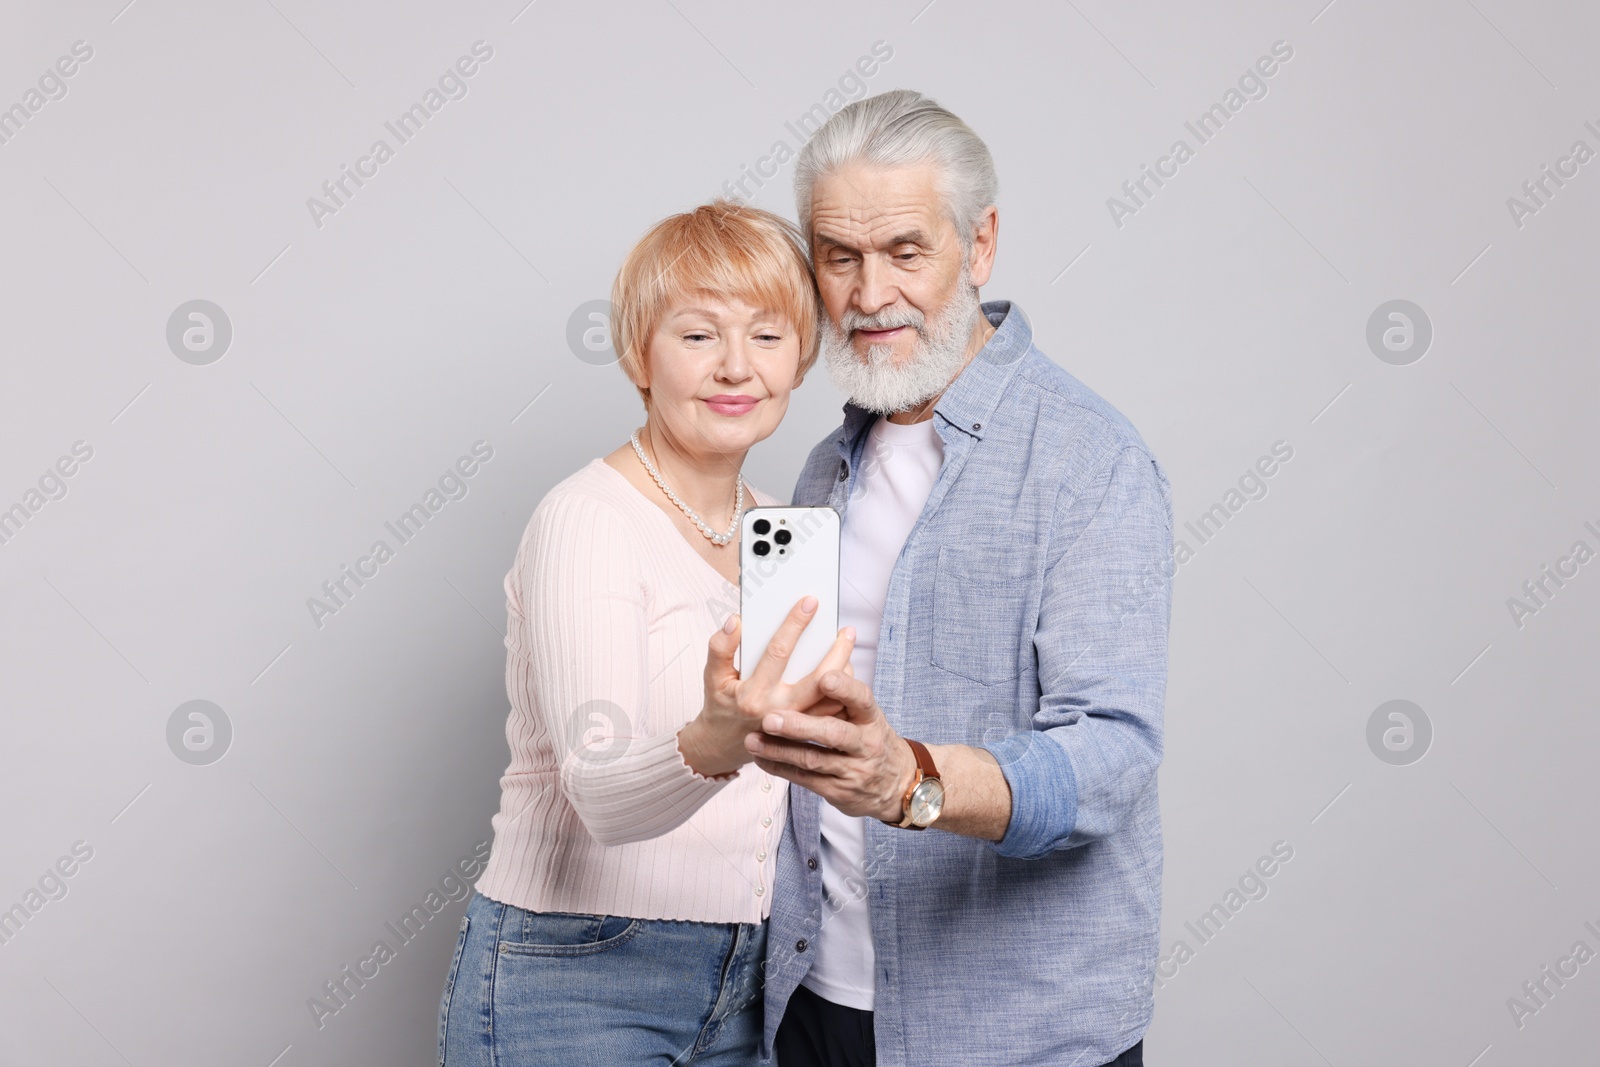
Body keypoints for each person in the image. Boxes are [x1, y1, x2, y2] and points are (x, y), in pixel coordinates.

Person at [751, 90, 1173, 1066]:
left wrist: (916, 782)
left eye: (905, 251)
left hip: (1011, 1031)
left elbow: (1111, 752)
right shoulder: (824, 465)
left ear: (978, 246)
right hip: (811, 1006)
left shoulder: (1087, 458)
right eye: (838, 256)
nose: (866, 294)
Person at [438, 201, 853, 1066]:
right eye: (699, 335)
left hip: (751, 976)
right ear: (638, 353)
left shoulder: (783, 531)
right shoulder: (588, 520)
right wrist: (719, 737)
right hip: (575, 970)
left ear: (803, 359)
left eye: (769, 337)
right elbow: (598, 794)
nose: (736, 367)